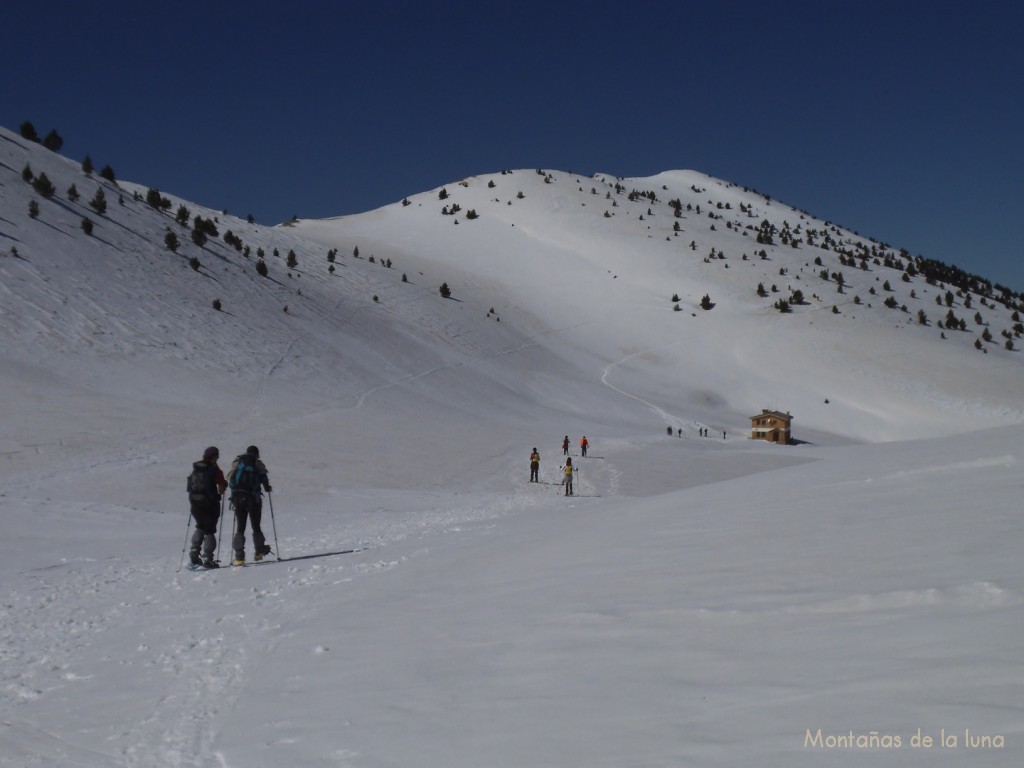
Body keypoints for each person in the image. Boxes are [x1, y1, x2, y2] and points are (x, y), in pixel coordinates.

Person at [228, 445, 273, 565]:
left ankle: (239, 557)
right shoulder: (258, 464)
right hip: (253, 499)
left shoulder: (238, 462)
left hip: (238, 498)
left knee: (240, 528)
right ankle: (259, 552)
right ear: (256, 454)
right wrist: (267, 487)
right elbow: (264, 479)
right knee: (256, 526)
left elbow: (231, 480)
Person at [188, 446, 227, 568]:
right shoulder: (215, 470)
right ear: (214, 457)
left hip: (195, 504)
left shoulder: (196, 468)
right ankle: (208, 558)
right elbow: (221, 490)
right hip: (210, 504)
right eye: (217, 456)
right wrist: (223, 485)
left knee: (200, 526)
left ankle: (194, 551)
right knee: (210, 530)